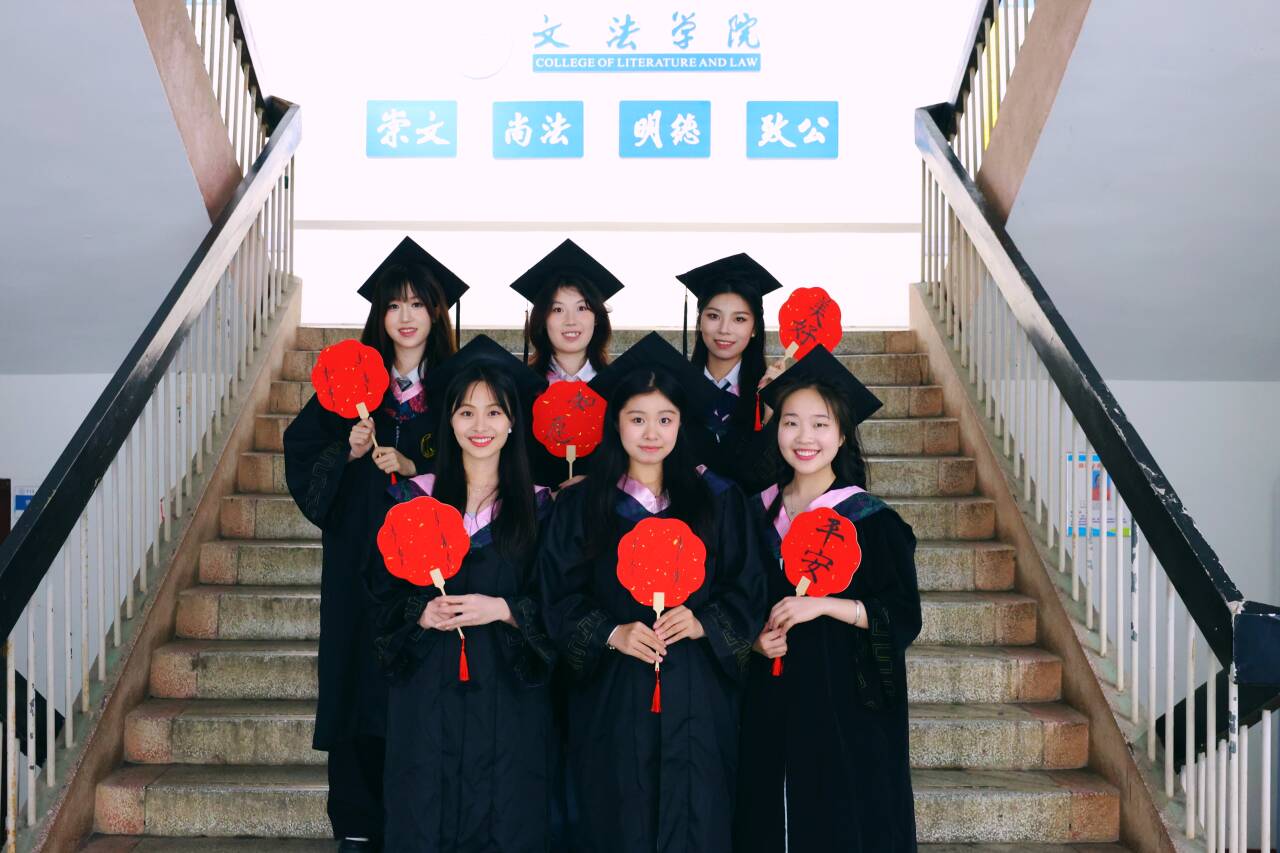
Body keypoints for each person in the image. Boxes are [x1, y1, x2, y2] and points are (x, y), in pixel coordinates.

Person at [538, 332, 766, 853]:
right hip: (613, 692)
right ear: (616, 423)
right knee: (614, 813)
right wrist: (610, 633)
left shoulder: (717, 501)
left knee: (696, 812)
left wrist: (704, 623)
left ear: (681, 424)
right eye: (637, 418)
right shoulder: (584, 504)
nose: (651, 432)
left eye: (665, 419)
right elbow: (556, 593)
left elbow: (747, 586)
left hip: (697, 692)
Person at [282, 237, 466, 852]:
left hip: (432, 571)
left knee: (424, 684)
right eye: (393, 305)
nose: (406, 316)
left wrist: (419, 467)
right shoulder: (349, 387)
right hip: (359, 567)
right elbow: (302, 457)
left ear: (436, 313)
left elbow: (486, 466)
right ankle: (358, 826)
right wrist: (348, 450)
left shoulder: (456, 392)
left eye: (418, 304)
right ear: (379, 316)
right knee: (359, 681)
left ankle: (424, 820)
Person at [369, 335, 556, 851]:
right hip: (428, 694)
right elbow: (379, 600)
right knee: (424, 807)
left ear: (513, 422)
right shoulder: (412, 502)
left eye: (494, 412)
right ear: (448, 420)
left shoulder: (541, 509)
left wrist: (505, 609)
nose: (480, 426)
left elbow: (560, 603)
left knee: (506, 815)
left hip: (508, 696)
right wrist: (420, 614)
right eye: (466, 412)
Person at [734, 345, 921, 853]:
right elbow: (733, 599)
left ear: (841, 435)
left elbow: (903, 615)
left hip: (844, 703)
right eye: (791, 423)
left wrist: (824, 605)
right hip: (770, 696)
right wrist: (752, 640)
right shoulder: (754, 515)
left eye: (820, 424)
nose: (805, 438)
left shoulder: (871, 521)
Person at [509, 239, 625, 490]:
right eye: (557, 310)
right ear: (542, 319)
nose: (571, 321)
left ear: (597, 318)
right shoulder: (520, 387)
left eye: (582, 308)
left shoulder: (619, 387)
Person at [676, 253, 786, 493]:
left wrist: (772, 412)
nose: (724, 329)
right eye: (713, 316)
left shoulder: (767, 393)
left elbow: (771, 476)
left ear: (754, 328)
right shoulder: (675, 387)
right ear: (700, 321)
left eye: (739, 319)